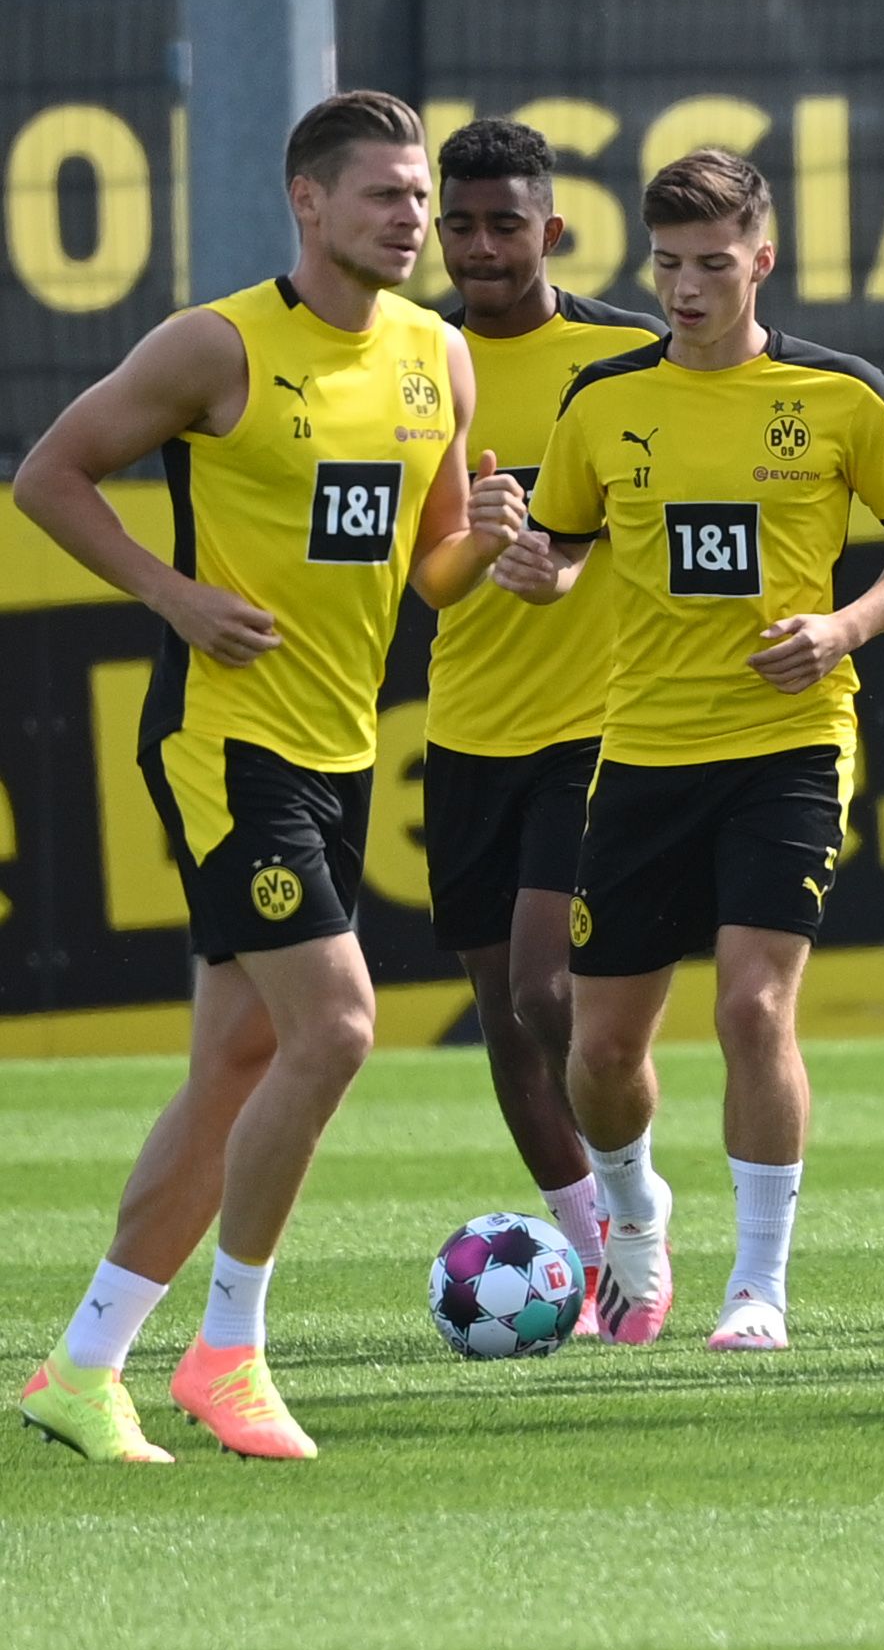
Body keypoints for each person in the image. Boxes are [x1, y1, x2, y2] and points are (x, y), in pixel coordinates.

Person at [11, 93, 510, 1462]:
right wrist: (174, 596)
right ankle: (229, 1348)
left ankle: (82, 1365)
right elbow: (50, 476)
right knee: (337, 1026)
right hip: (227, 744)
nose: (415, 218)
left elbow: (439, 567)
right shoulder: (217, 346)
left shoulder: (437, 358)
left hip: (343, 746)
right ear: (308, 201)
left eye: (421, 197)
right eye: (387, 196)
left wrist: (517, 551)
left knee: (237, 1058)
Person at [504, 147, 884, 1353]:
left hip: (790, 744)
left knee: (755, 1005)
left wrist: (844, 625)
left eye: (713, 264)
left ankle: (759, 1283)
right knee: (599, 1051)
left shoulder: (843, 395)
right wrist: (529, 565)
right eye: (667, 264)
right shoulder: (605, 402)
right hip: (645, 748)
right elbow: (557, 552)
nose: (688, 288)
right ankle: (637, 1216)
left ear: (764, 260)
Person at [420, 116, 663, 1335]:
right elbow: (421, 575)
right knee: (506, 1020)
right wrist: (468, 532)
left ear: (552, 229)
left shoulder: (626, 358)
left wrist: (570, 538)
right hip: (464, 728)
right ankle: (590, 1261)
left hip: (598, 722)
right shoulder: (416, 362)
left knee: (544, 988)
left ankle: (634, 1217)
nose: (479, 245)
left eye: (504, 222)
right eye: (459, 224)